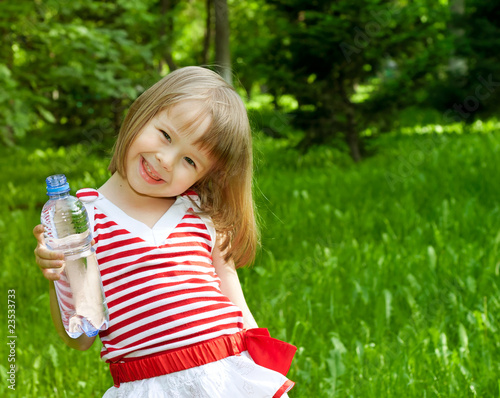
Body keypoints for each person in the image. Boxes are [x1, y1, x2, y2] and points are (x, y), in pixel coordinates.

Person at [33, 66, 296, 397]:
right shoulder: (84, 218)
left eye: (190, 161)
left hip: (225, 375)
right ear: (142, 113)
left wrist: (263, 377)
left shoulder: (202, 215)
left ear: (205, 175)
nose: (167, 160)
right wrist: (57, 275)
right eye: (166, 135)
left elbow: (240, 311)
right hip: (148, 385)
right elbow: (81, 336)